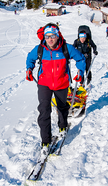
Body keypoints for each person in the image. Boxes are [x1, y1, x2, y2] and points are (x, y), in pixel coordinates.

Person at [26, 23, 86, 155]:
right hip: (44, 84)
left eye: (53, 36)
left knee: (62, 107)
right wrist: (29, 69)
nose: (50, 39)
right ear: (44, 37)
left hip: (62, 83)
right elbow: (30, 58)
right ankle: (45, 141)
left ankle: (62, 127)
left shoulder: (66, 48)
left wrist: (80, 72)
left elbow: (80, 58)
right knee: (44, 111)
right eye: (47, 36)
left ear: (57, 36)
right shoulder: (40, 49)